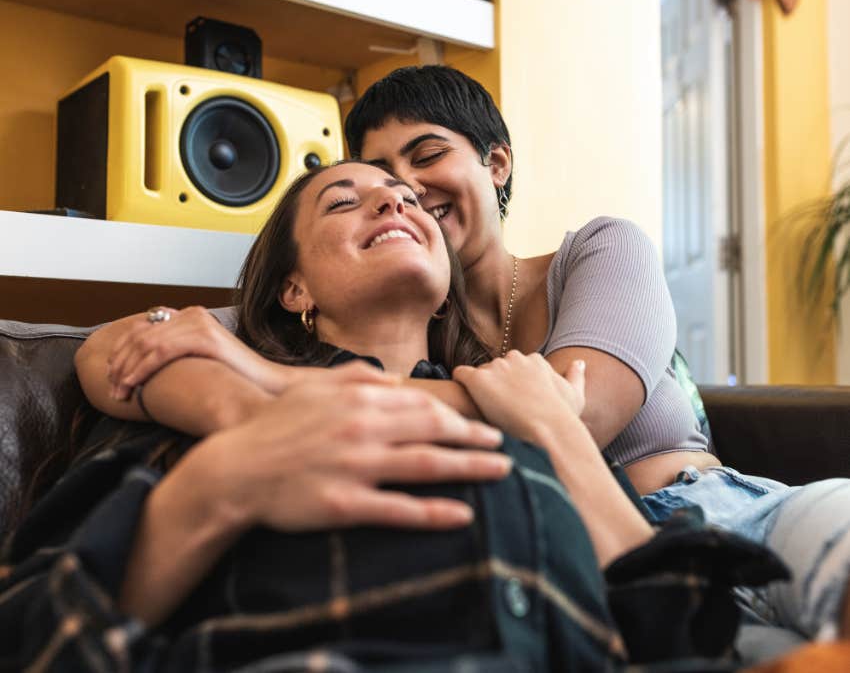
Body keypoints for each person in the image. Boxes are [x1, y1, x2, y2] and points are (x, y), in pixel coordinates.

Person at [97, 66, 850, 648]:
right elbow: (137, 346)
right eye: (374, 178)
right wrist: (225, 373)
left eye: (425, 157)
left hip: (723, 514)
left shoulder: (595, 250)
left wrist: (268, 385)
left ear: (495, 164)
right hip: (589, 566)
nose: (405, 194)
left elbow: (575, 412)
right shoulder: (399, 307)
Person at [3, 161, 714, 671]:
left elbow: (679, 623)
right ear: (294, 288)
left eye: (410, 199)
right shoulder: (190, 389)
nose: (395, 205)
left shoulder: (527, 401)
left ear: (444, 294)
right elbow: (35, 631)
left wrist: (561, 437)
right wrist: (222, 483)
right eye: (345, 203)